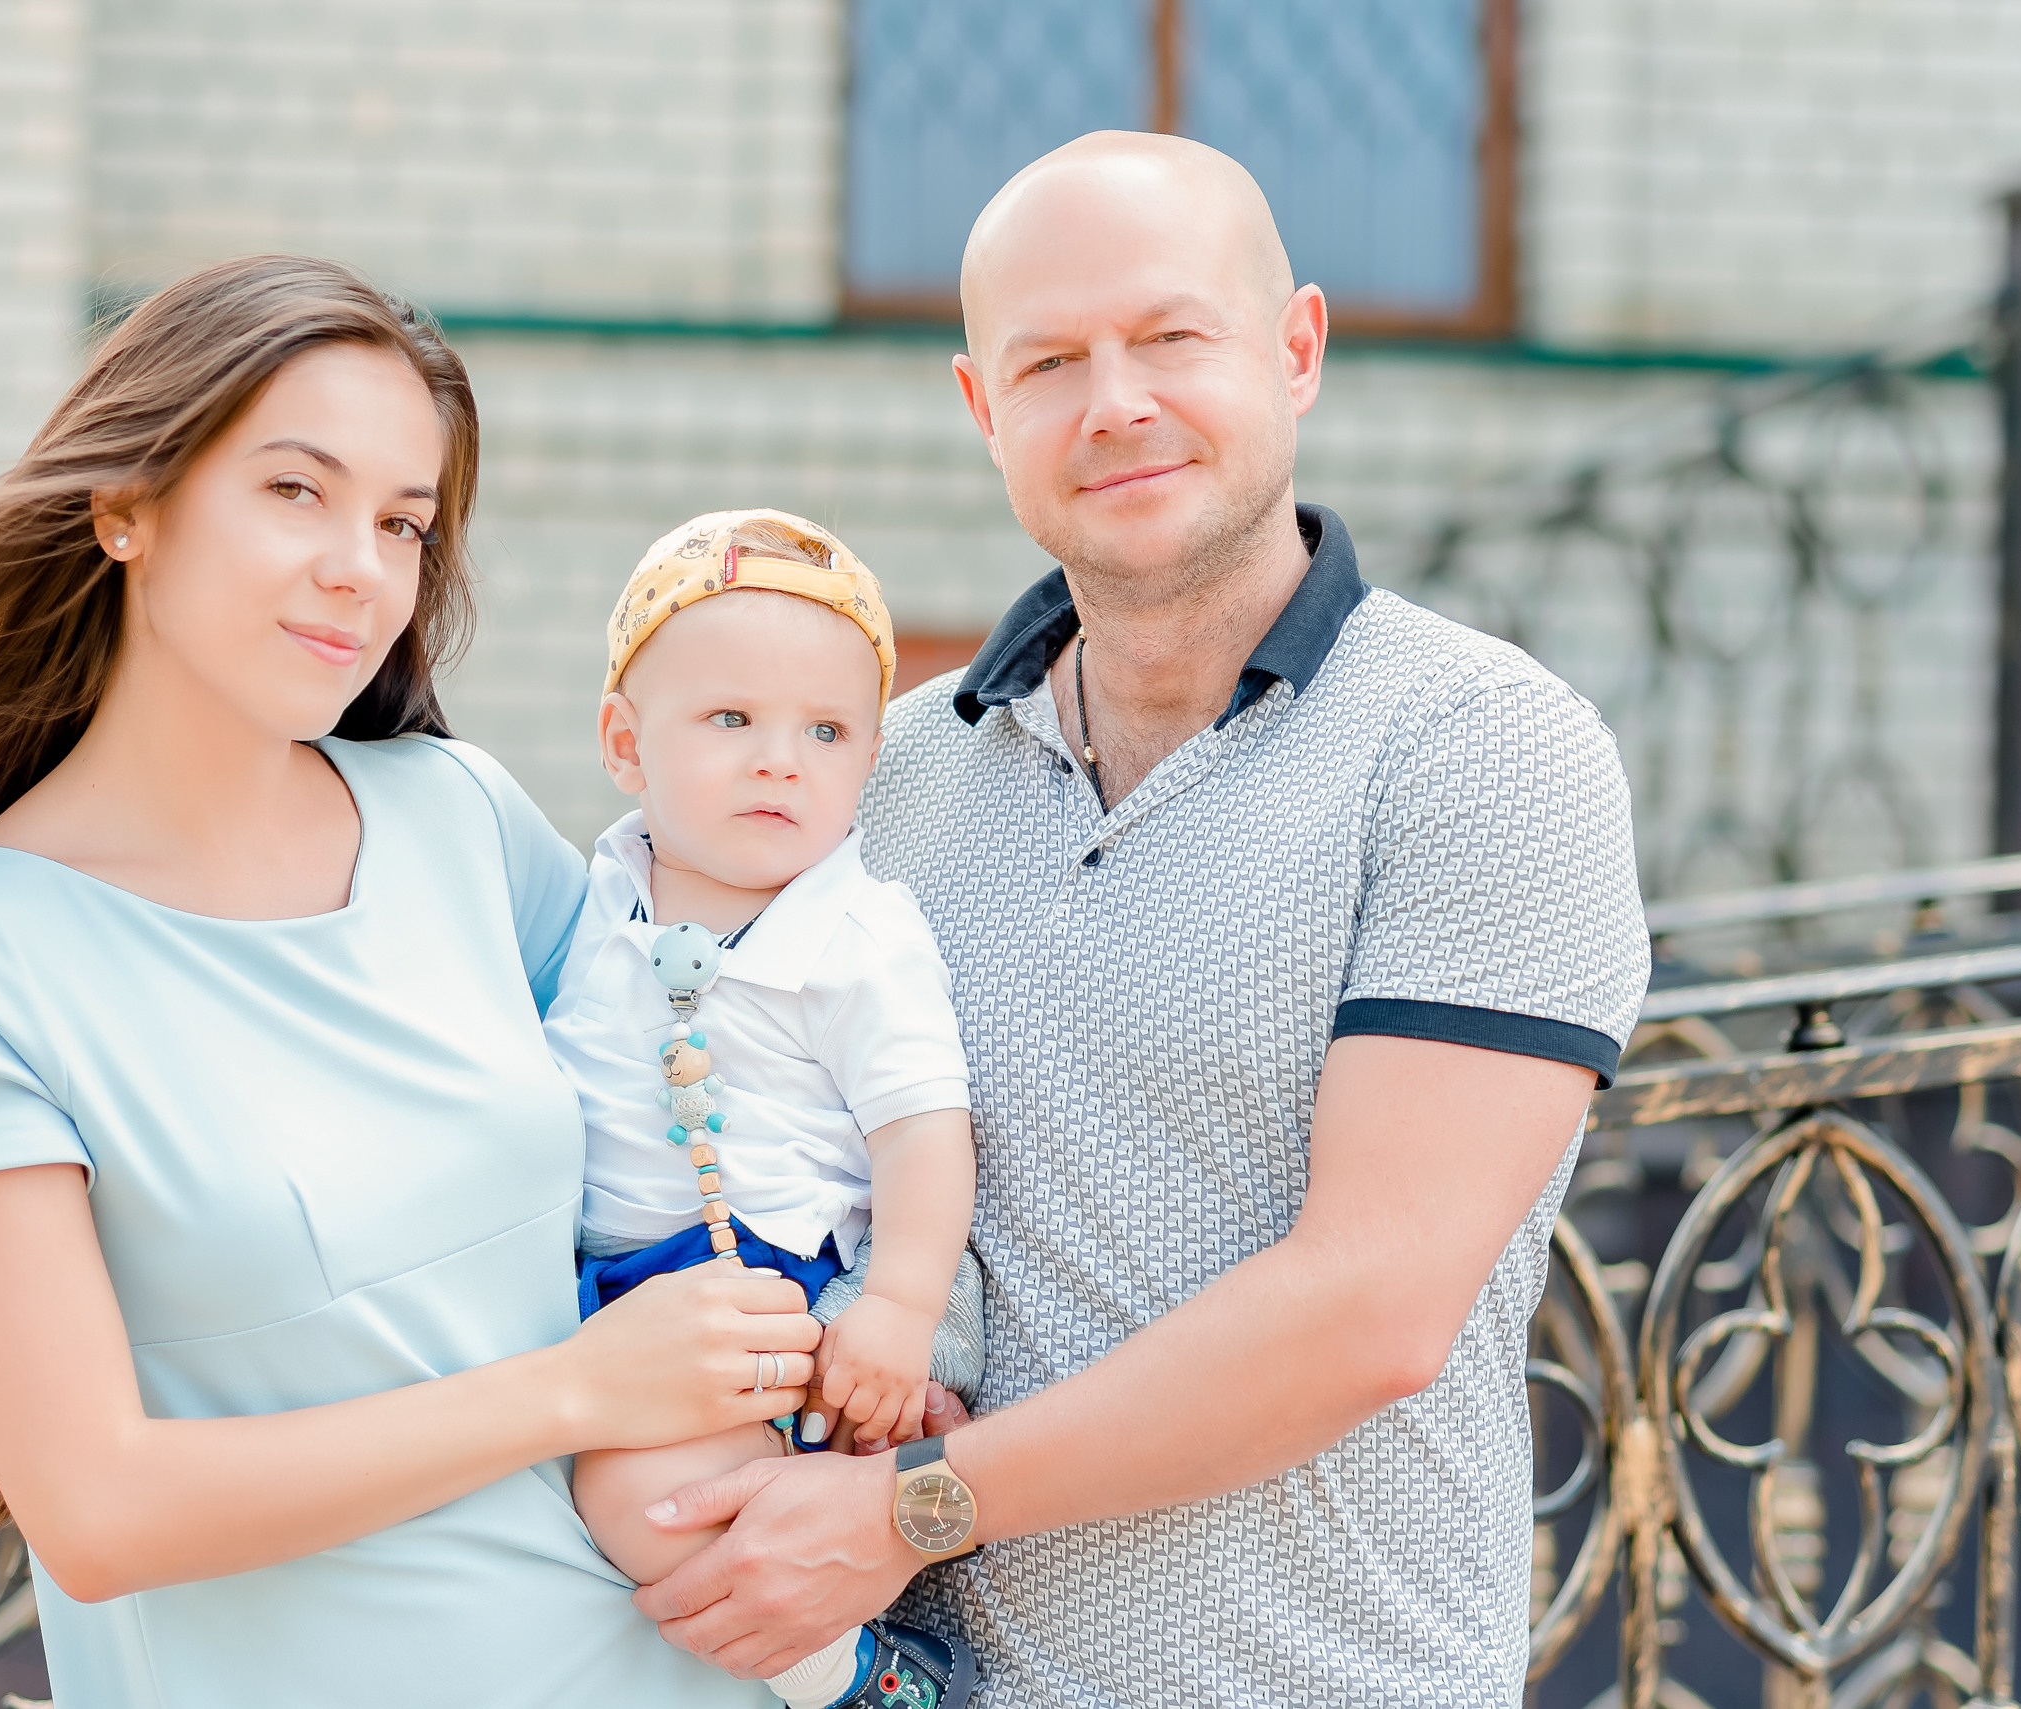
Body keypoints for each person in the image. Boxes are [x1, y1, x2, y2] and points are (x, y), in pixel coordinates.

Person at [628, 134, 1653, 1706]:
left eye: (1173, 337)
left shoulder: (1482, 751)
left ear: (1296, 350)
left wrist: (904, 1513)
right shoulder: (880, 780)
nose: (1115, 401)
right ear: (984, 412)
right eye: (1049, 361)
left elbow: (1371, 1307)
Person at [0, 256, 819, 1708]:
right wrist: (574, 1391)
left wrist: (877, 1330)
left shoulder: (461, 817)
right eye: (296, 492)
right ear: (127, 505)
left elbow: (726, 1088)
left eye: (403, 521)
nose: (362, 569)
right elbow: (100, 1508)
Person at [550, 509, 985, 1709]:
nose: (780, 758)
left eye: (827, 730)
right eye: (731, 719)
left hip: (768, 1291)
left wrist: (898, 1310)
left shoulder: (859, 935)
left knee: (649, 1498)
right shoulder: (592, 899)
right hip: (603, 1286)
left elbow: (924, 1134)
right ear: (625, 744)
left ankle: (859, 1678)